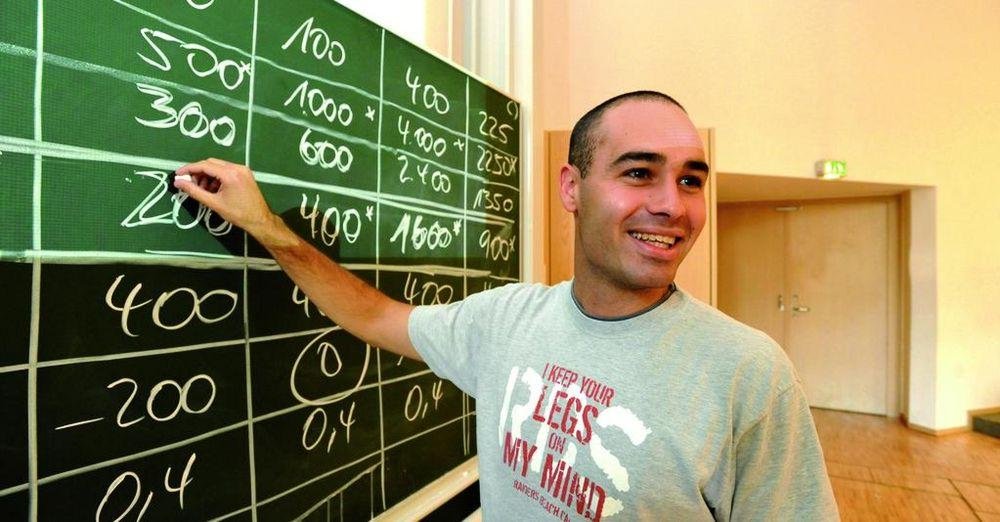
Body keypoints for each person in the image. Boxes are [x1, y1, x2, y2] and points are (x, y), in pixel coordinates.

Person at [176, 91, 838, 521]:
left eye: (690, 178)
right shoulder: (506, 321)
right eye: (639, 172)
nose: (672, 204)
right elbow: (376, 315)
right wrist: (266, 229)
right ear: (571, 188)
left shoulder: (749, 373)